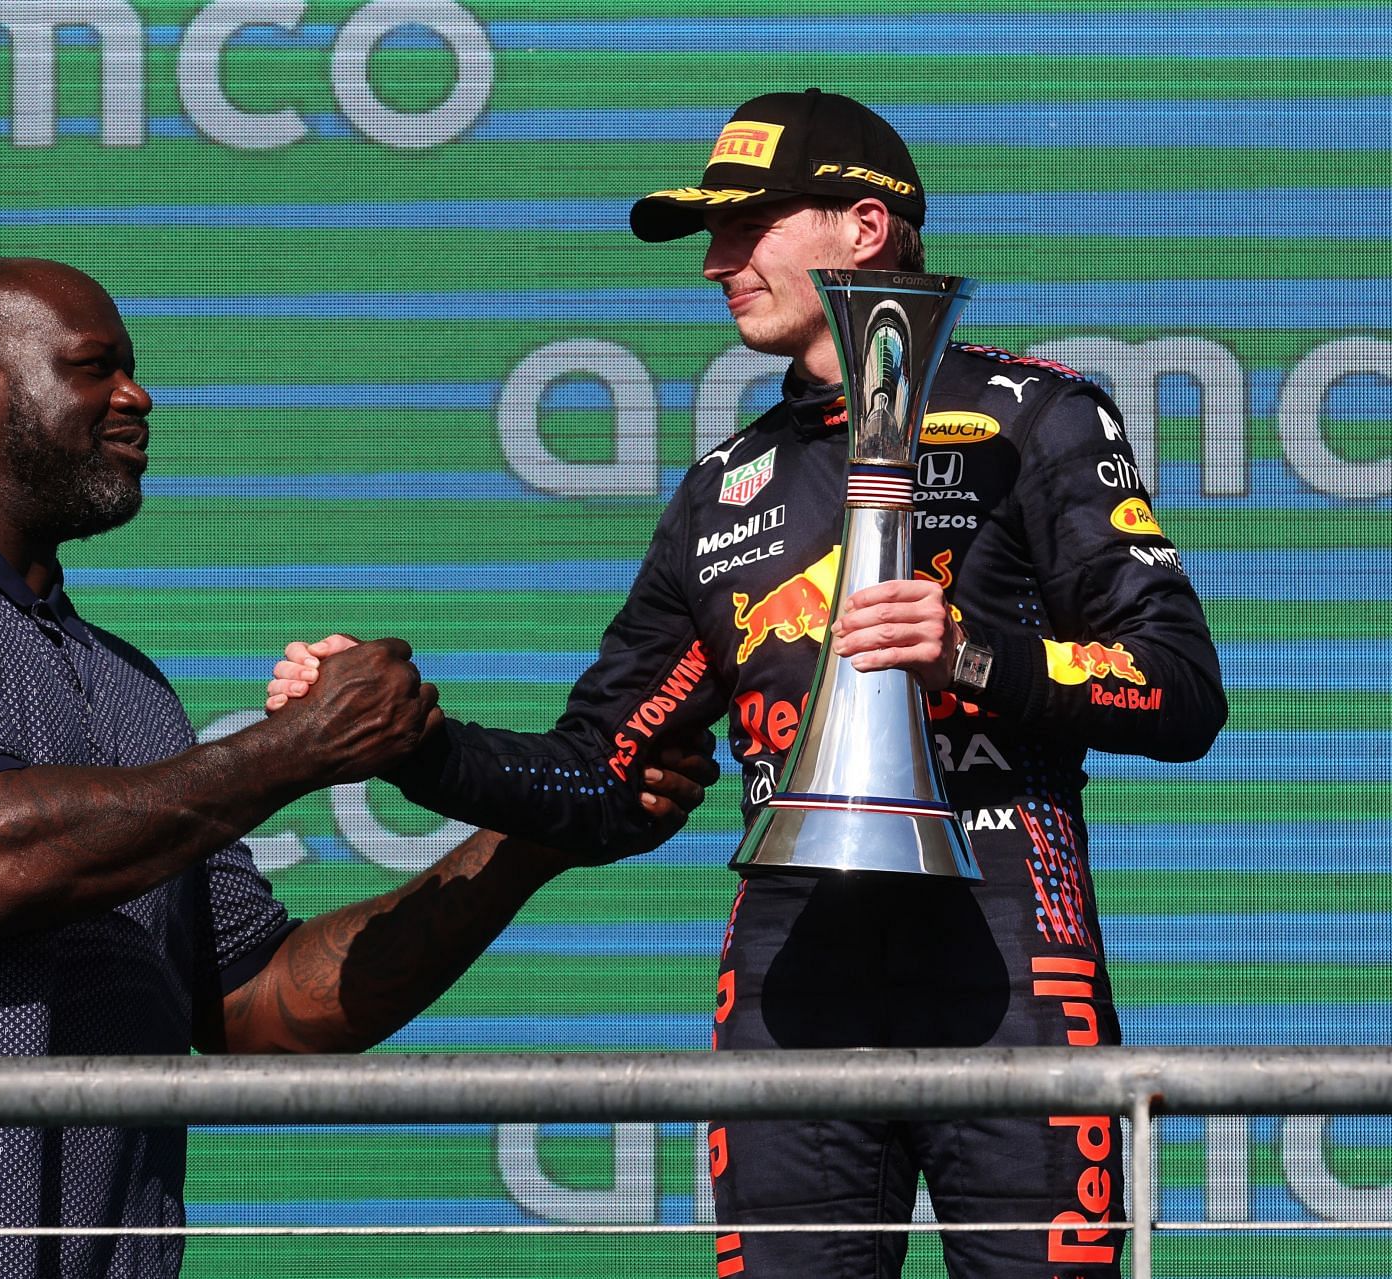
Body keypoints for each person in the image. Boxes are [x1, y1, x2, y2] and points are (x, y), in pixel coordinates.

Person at [268, 89, 1226, 1278]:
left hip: (1014, 964)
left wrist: (972, 652)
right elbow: (603, 777)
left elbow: (1179, 686)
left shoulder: (1035, 417)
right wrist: (408, 741)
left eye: (746, 226)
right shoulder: (724, 489)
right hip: (790, 978)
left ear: (864, 228)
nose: (717, 263)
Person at [0, 256, 716, 1279]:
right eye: (96, 367)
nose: (137, 397)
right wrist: (304, 745)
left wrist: (530, 839)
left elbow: (264, 1009)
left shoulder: (127, 687)